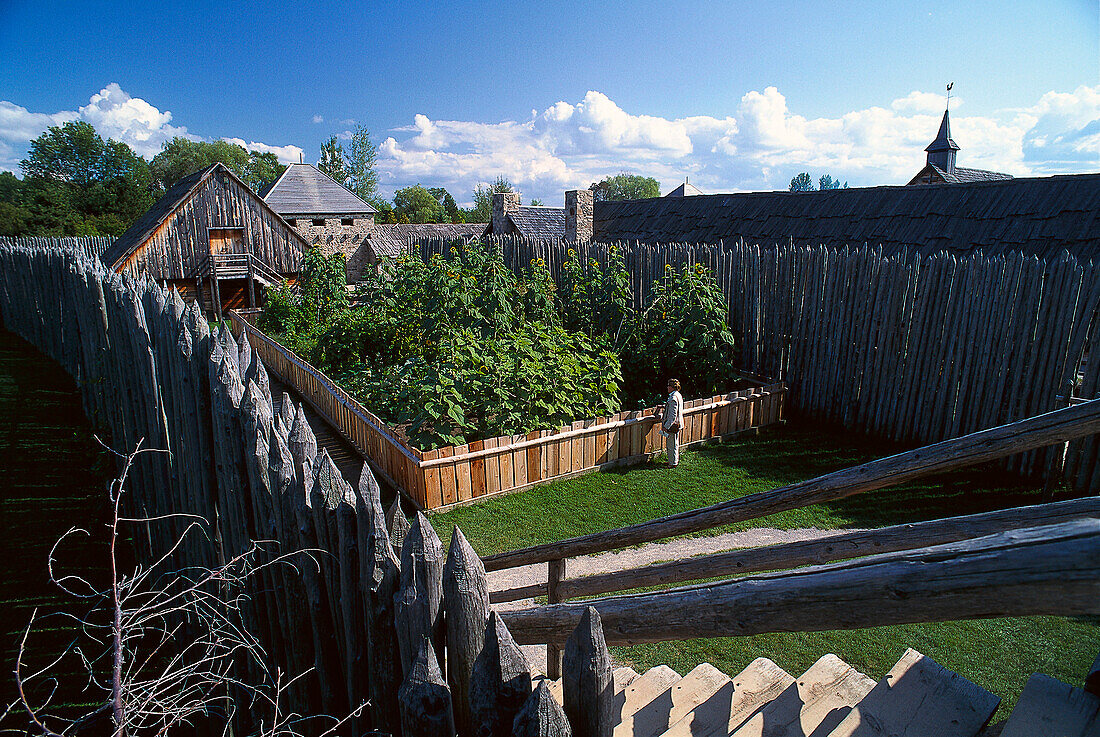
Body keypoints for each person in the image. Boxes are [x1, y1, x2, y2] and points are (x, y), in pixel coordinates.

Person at [660, 378, 685, 467]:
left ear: (672, 387)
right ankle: (674, 460)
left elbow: (672, 415)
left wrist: (666, 426)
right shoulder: (678, 395)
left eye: (668, 386)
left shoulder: (673, 398)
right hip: (678, 423)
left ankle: (673, 463)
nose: (667, 387)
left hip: (673, 424)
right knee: (674, 443)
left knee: (671, 445)